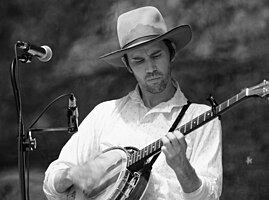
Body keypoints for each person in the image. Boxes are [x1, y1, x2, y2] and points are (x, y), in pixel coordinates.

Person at [43, 6, 222, 200]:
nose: (150, 68)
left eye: (156, 55)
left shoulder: (201, 118)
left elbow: (210, 197)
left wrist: (182, 168)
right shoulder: (105, 114)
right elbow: (52, 184)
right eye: (138, 61)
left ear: (171, 53)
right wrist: (71, 175)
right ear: (128, 65)